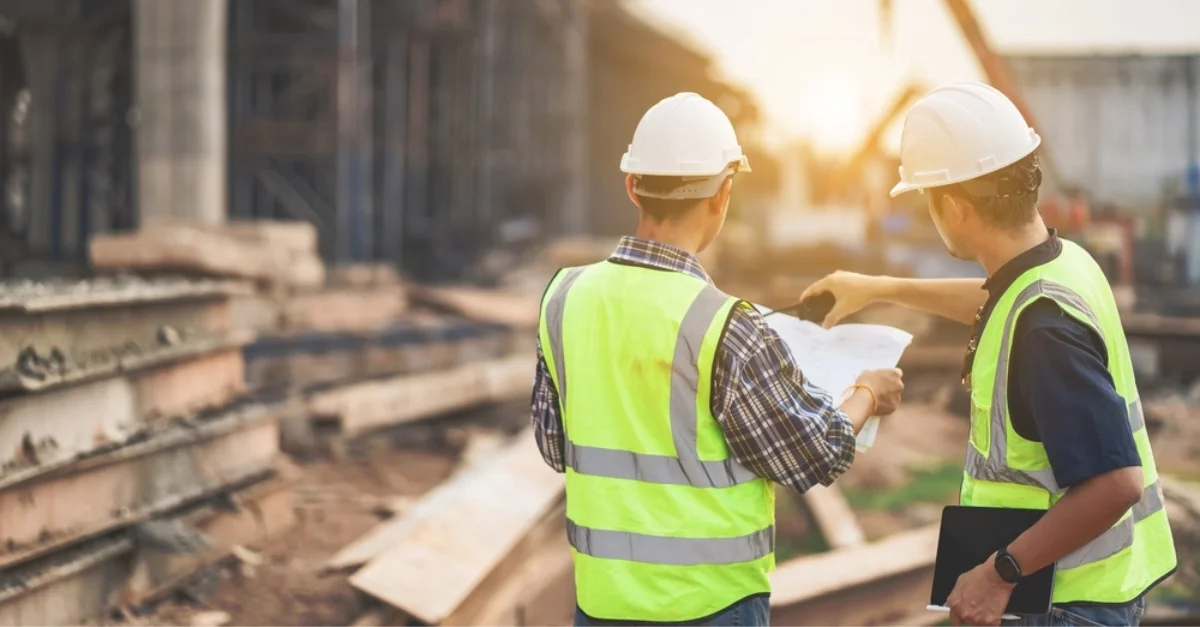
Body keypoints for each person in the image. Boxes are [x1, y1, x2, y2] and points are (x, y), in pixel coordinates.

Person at [800, 82, 1176, 626]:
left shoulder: (1044, 329)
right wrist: (877, 286)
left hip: (1062, 603)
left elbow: (1117, 482)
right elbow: (996, 302)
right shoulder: (1062, 264)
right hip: (1082, 591)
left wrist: (1000, 573)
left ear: (952, 208)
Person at [530, 92, 906, 626]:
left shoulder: (564, 298)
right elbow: (816, 452)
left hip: (601, 606)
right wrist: (867, 392)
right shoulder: (725, 326)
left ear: (632, 186)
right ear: (722, 193)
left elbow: (553, 445)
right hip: (713, 608)